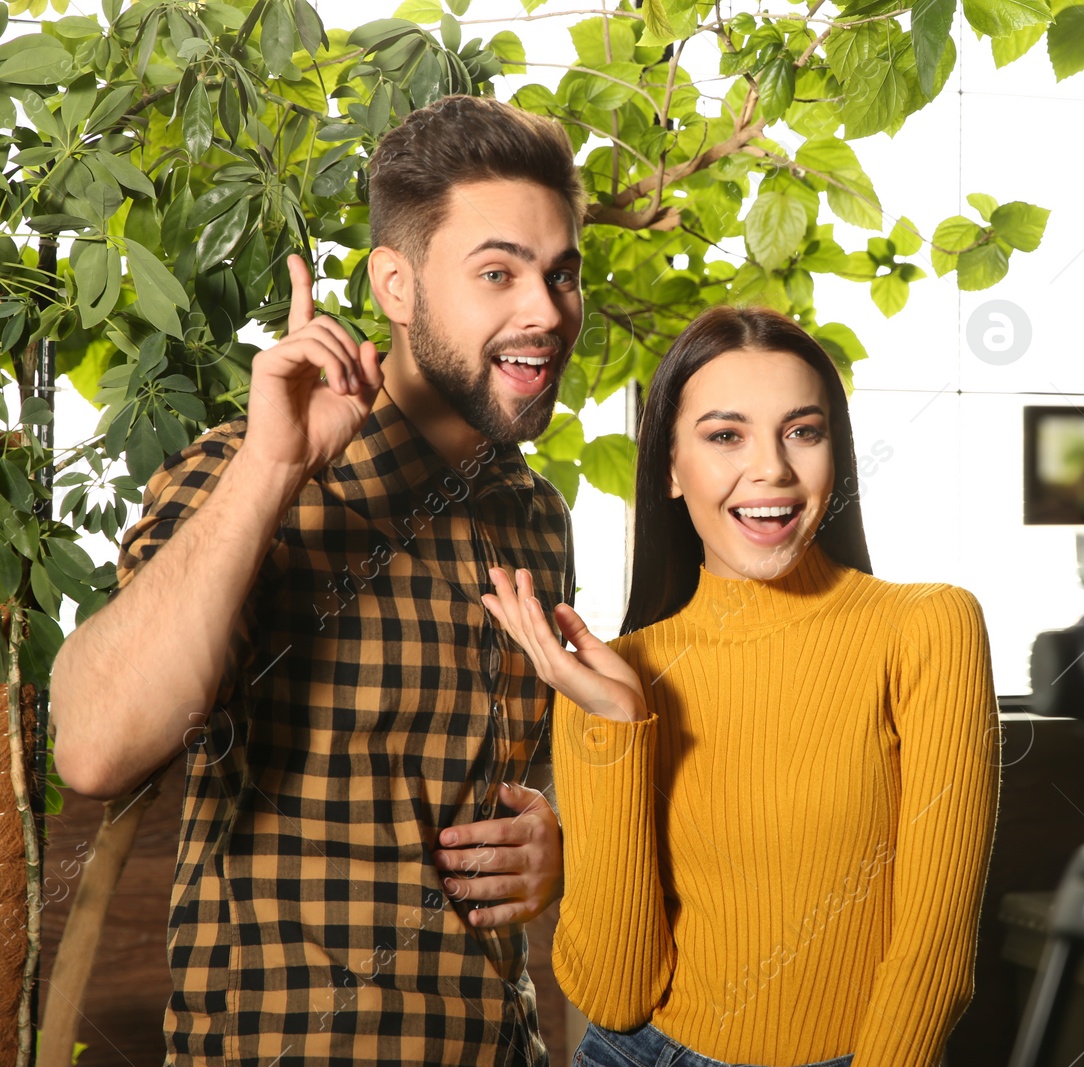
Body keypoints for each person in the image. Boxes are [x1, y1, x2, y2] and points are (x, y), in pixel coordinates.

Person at [49, 95, 584, 1066]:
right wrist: (270, 469)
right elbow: (92, 745)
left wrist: (555, 840)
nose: (544, 311)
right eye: (497, 272)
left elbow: (514, 783)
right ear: (397, 283)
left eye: (560, 274)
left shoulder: (536, 517)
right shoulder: (251, 465)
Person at [481, 306, 1002, 1067]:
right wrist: (618, 724)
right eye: (726, 435)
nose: (773, 470)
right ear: (667, 466)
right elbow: (618, 992)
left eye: (803, 431)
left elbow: (936, 957)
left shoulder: (928, 628)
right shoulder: (612, 673)